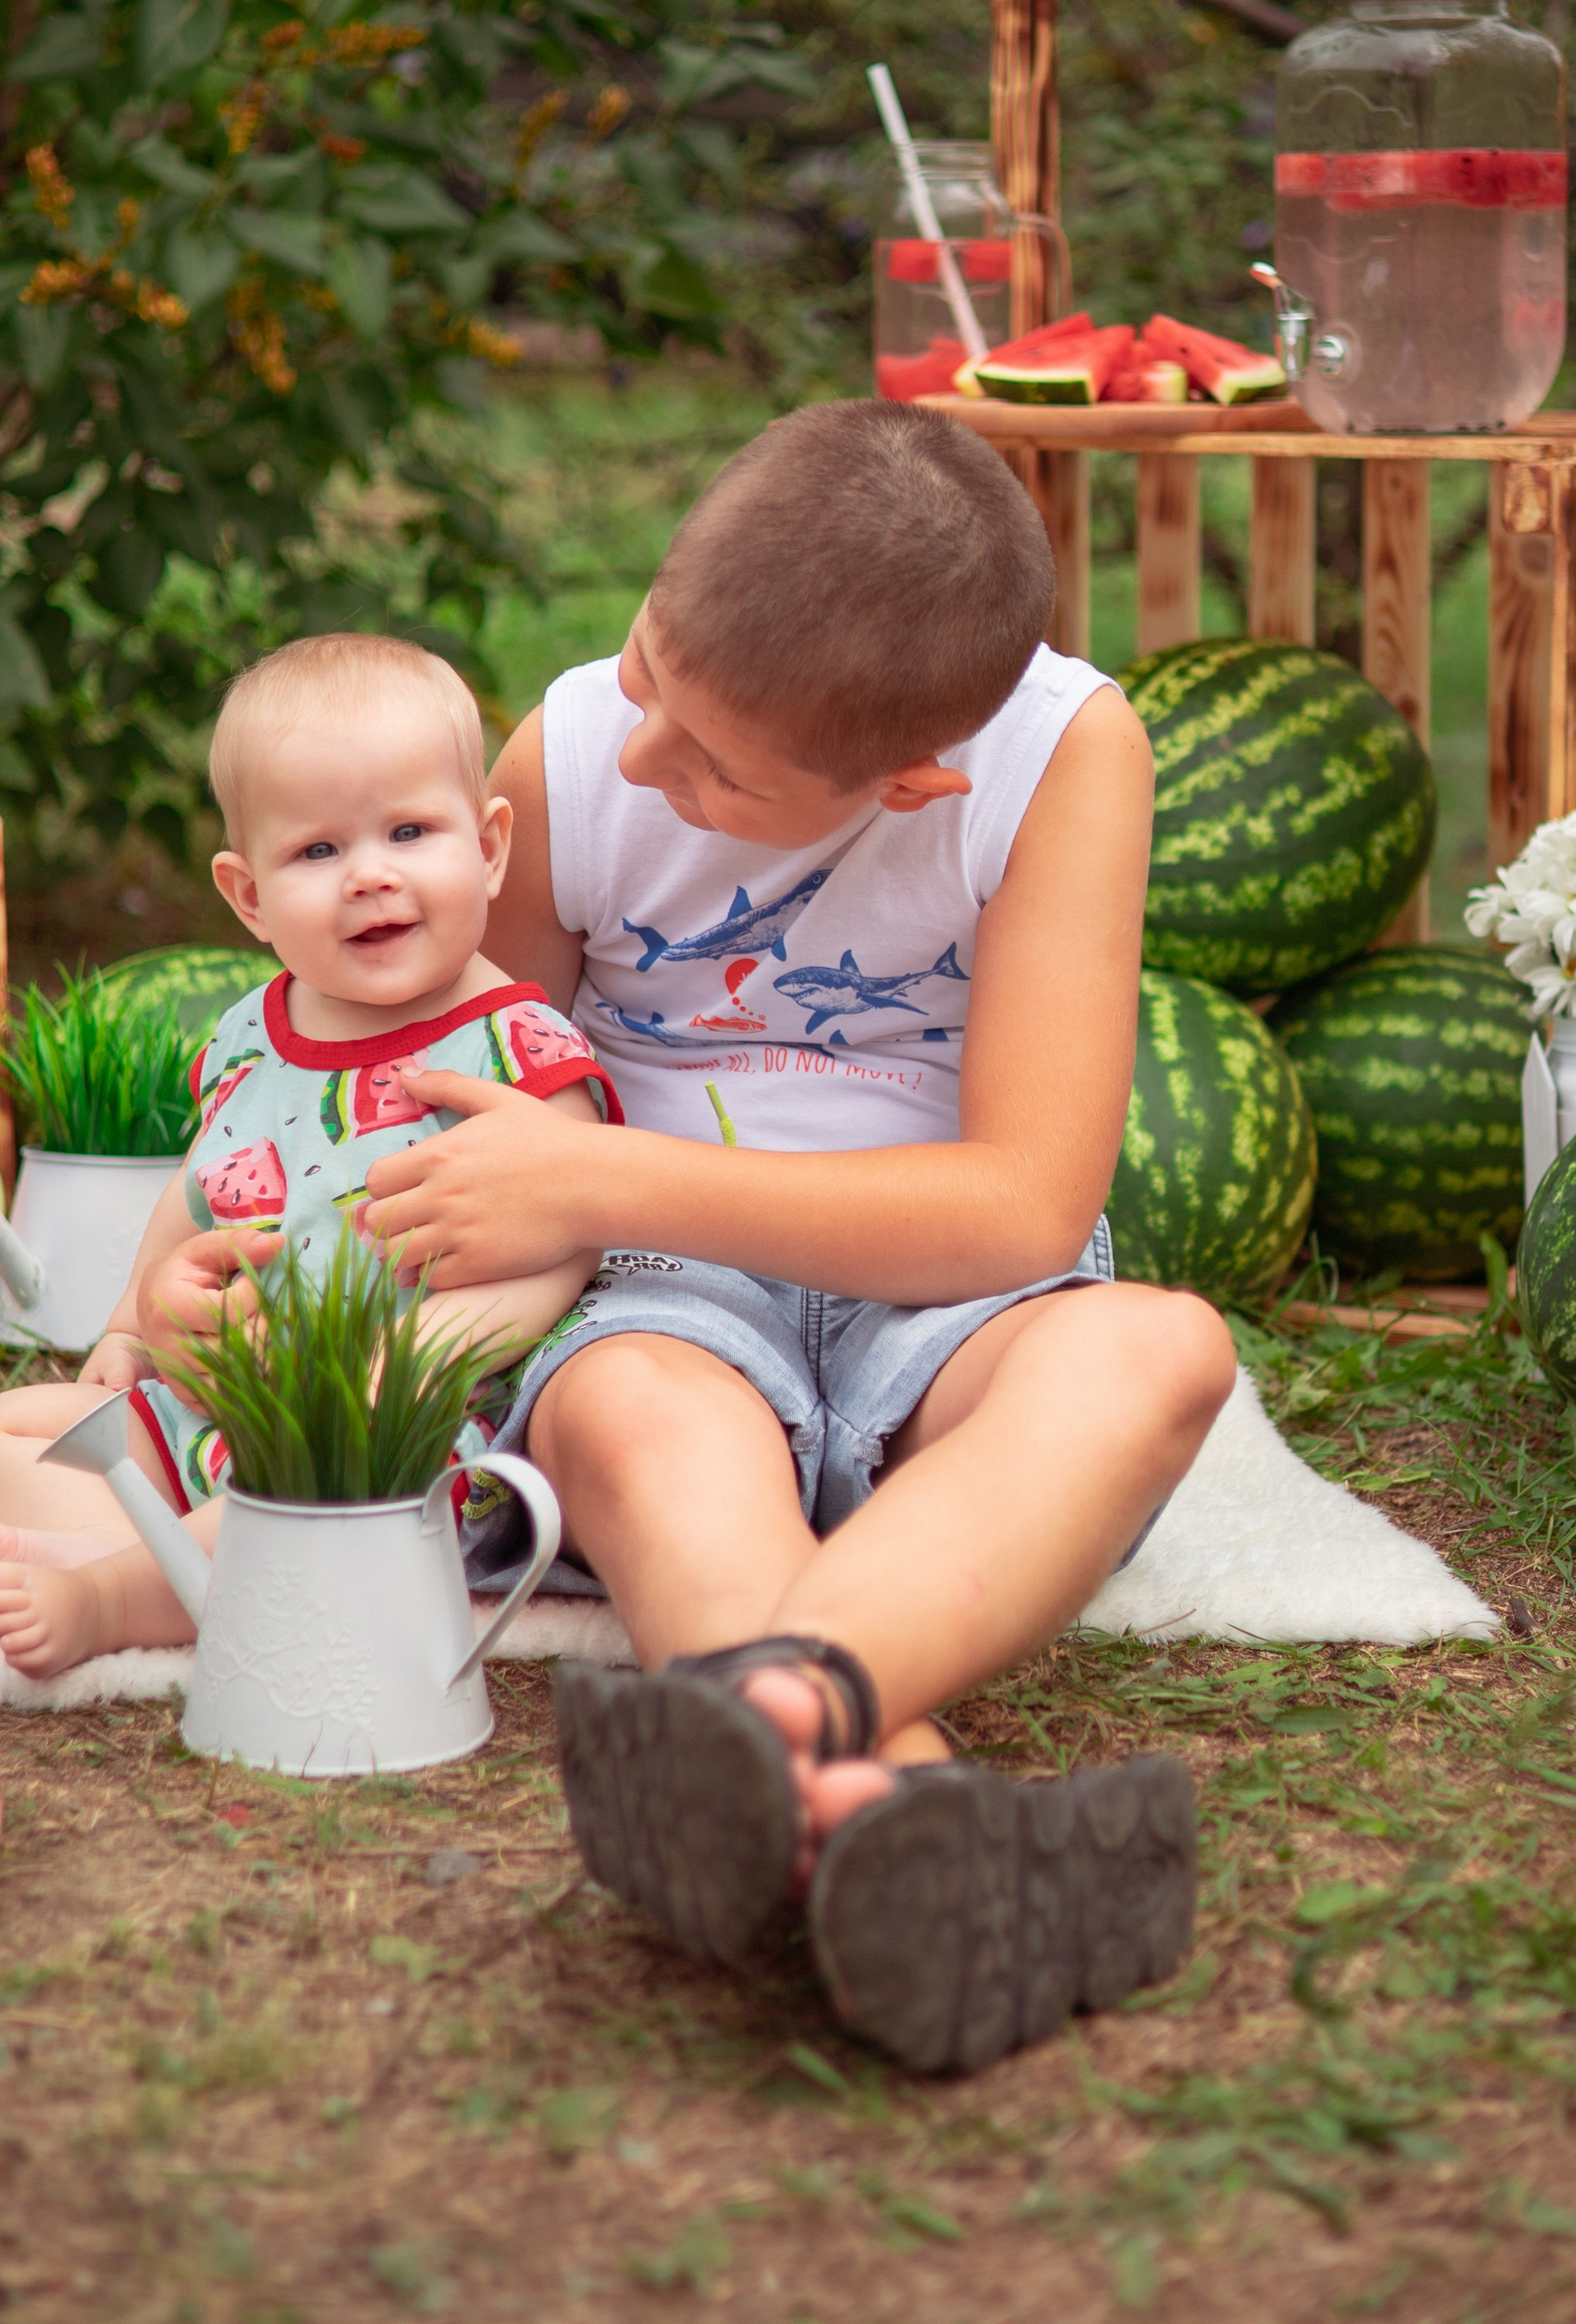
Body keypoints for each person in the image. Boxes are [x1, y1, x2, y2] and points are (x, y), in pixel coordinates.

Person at [354, 400, 1237, 2074]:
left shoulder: (1062, 755)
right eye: (644, 670)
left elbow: (1021, 1205)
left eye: (716, 768)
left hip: (957, 1297)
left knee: (1160, 1348)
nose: (641, 761)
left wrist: (603, 1180)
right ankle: (899, 1799)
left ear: (912, 781)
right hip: (660, 1299)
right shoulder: (572, 758)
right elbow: (447, 1102)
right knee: (629, 1414)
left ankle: (774, 1712)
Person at [0, 635, 619, 1677]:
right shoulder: (249, 1036)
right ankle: (156, 1560)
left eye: (409, 832)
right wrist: (133, 1324)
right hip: (230, 1393)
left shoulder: (516, 1047)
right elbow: (198, 1187)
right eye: (317, 852)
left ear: (488, 847)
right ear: (249, 896)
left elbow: (567, 1243)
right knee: (3, 1432)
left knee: (320, 1491)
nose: (371, 875)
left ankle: (112, 1597)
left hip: (398, 1430)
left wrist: (416, 1359)